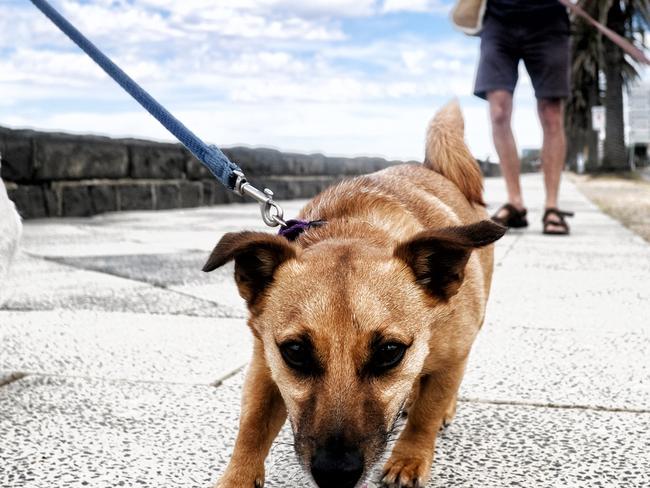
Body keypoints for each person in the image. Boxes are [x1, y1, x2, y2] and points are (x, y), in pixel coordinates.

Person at [474, 0, 574, 235]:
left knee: (551, 112)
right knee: (498, 111)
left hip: (549, 18)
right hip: (498, 19)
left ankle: (551, 206)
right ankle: (515, 202)